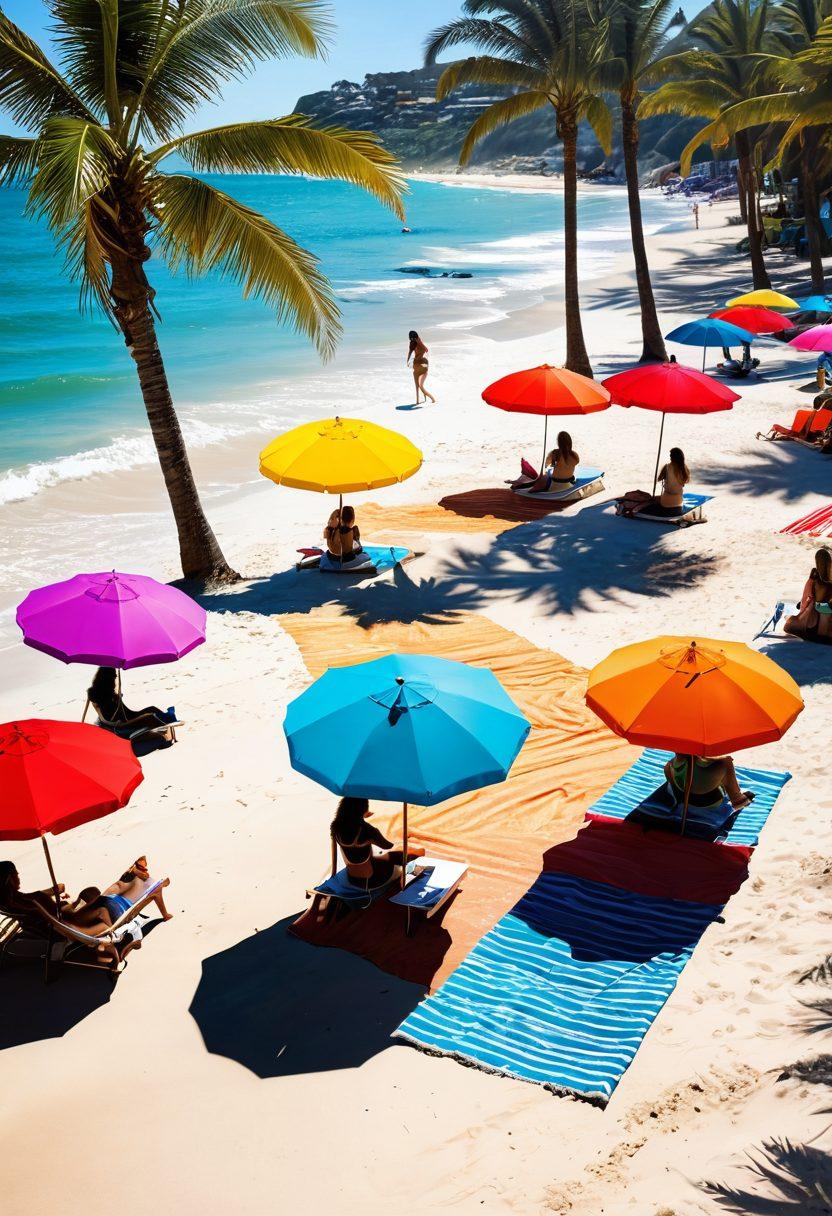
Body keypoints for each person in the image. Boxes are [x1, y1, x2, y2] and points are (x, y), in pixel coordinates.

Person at [0, 857, 172, 936]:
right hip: (70, 922)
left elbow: (43, 901)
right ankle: (144, 883)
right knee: (105, 902)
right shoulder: (27, 903)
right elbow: (50, 916)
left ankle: (135, 880)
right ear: (9, 880)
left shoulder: (15, 900)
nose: (19, 878)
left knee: (91, 892)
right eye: (16, 875)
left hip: (66, 916)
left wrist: (59, 896)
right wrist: (65, 906)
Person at [330, 797, 422, 890]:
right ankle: (409, 868)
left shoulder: (335, 827)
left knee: (380, 856)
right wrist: (375, 830)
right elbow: (388, 846)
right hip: (374, 881)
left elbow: (339, 854)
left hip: (352, 879)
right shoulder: (367, 830)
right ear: (363, 809)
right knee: (395, 855)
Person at [87, 667, 175, 738]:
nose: (115, 679)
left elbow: (127, 712)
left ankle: (166, 720)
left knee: (151, 709)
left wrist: (118, 700)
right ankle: (168, 721)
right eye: (114, 677)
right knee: (150, 717)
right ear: (108, 680)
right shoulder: (108, 698)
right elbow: (123, 715)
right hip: (121, 724)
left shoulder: (97, 695)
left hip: (117, 720)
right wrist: (118, 701)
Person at [663, 755, 755, 811]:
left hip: (681, 798)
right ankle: (736, 795)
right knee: (725, 762)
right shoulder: (723, 762)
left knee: (670, 767)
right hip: (708, 802)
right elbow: (737, 805)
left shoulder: (669, 766)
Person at [784, 547, 832, 643]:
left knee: (789, 619)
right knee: (825, 610)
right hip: (827, 622)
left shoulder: (814, 576)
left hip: (813, 620)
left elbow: (805, 597)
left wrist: (803, 611)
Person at [512, 431, 579, 493]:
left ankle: (520, 487)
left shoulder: (554, 453)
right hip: (568, 483)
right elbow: (572, 463)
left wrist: (551, 467)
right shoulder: (575, 455)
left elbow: (546, 465)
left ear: (558, 442)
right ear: (570, 442)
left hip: (555, 484)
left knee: (543, 477)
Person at [649, 447, 690, 516]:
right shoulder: (684, 468)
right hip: (678, 503)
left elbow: (659, 478)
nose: (670, 457)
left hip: (666, 503)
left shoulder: (667, 467)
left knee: (653, 500)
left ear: (672, 457)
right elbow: (685, 481)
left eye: (670, 456)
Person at [407, 330, 436, 405]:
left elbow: (409, 354)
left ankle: (418, 400)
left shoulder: (413, 344)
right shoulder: (417, 342)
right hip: (422, 365)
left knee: (418, 385)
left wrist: (407, 362)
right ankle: (429, 398)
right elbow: (426, 350)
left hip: (417, 365)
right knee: (420, 385)